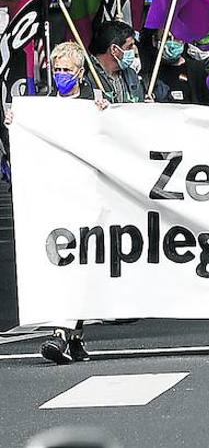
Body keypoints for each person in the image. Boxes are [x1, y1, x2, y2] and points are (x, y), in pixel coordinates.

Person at [15, 43, 108, 364]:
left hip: (86, 200)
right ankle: (66, 333)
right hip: (55, 202)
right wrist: (16, 123)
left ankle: (67, 333)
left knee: (80, 266)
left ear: (81, 73)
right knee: (61, 264)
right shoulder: (43, 109)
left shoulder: (92, 104)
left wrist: (108, 112)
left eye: (68, 70)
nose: (62, 75)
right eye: (57, 70)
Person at [86, 20, 149, 104]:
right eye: (129, 47)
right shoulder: (87, 76)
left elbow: (139, 102)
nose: (133, 50)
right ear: (114, 49)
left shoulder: (131, 74)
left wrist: (146, 106)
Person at [153, 36, 209, 106]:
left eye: (176, 38)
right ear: (155, 41)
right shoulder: (151, 74)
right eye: (167, 38)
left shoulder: (196, 70)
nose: (172, 43)